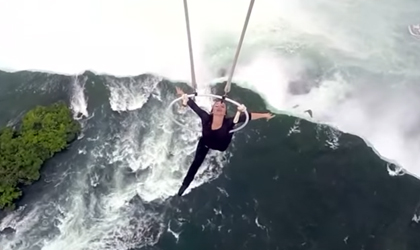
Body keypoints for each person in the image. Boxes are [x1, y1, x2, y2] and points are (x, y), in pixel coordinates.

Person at [175, 86, 274, 196]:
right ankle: (185, 185)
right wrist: (182, 94)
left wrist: (265, 115)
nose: (219, 107)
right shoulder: (205, 117)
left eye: (222, 106)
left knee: (232, 125)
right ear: (212, 110)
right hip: (206, 143)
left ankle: (228, 132)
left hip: (221, 145)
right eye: (216, 106)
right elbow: (192, 104)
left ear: (225, 112)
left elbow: (248, 116)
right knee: (196, 163)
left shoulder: (229, 122)